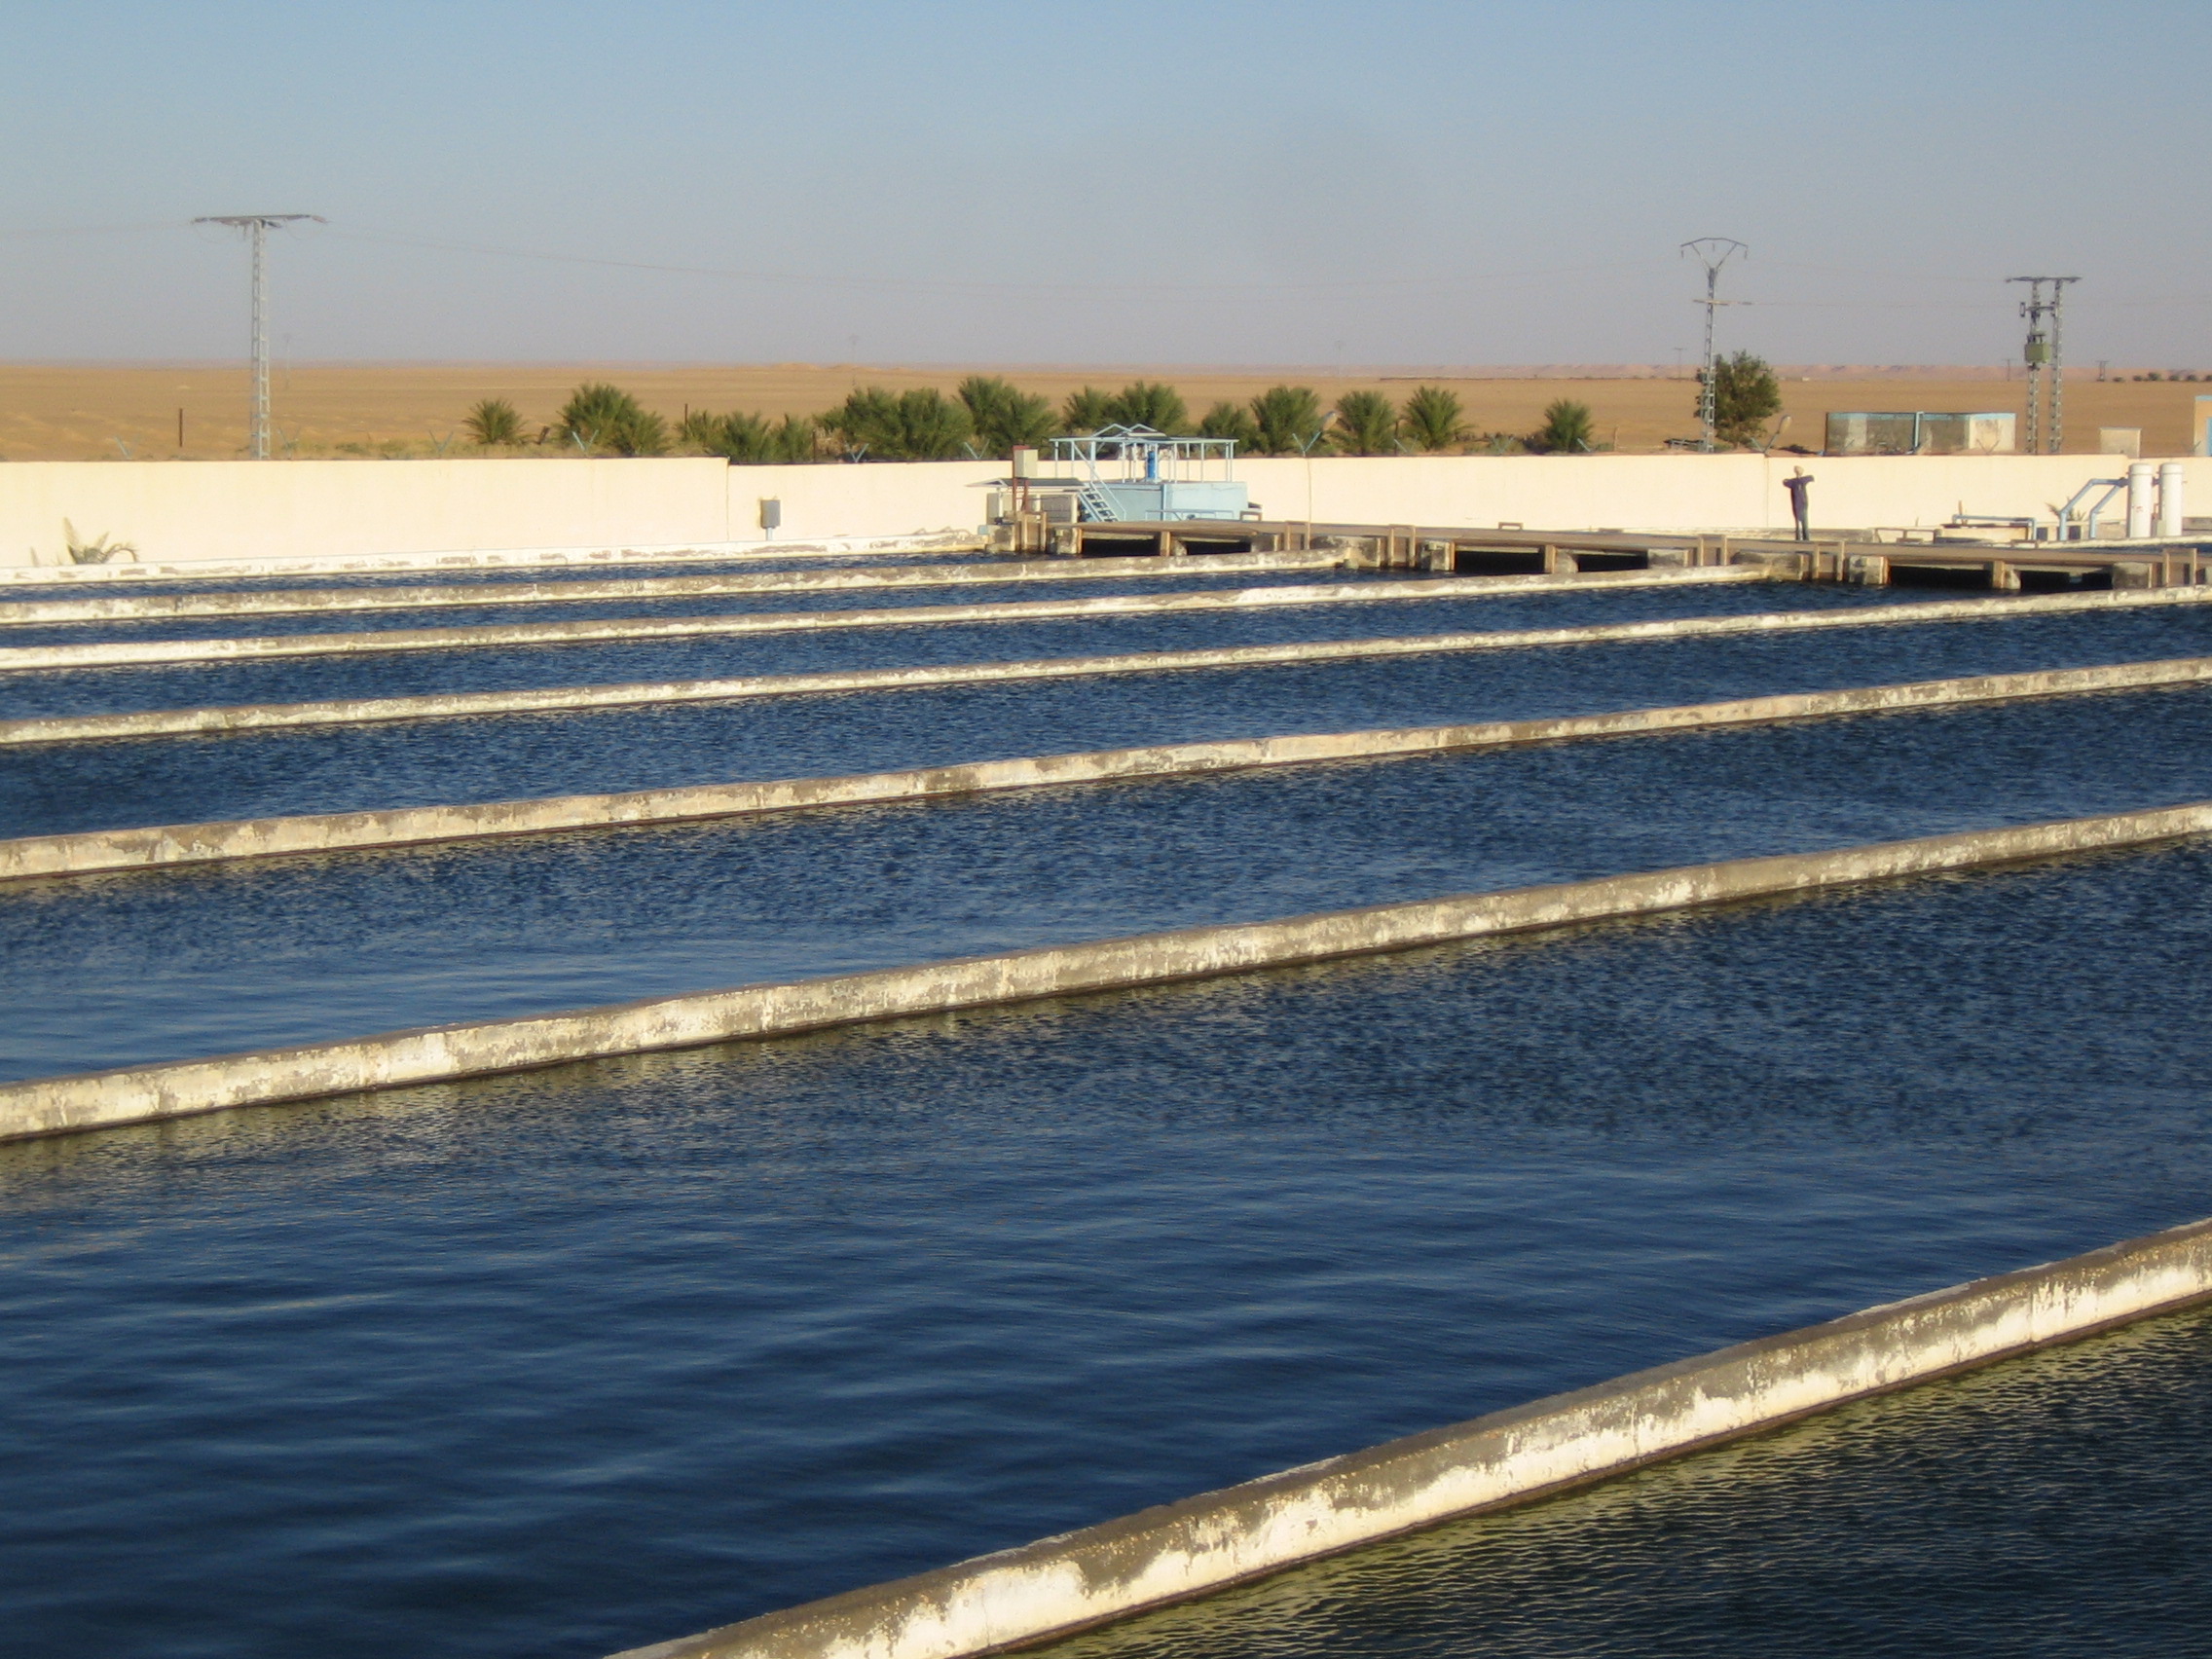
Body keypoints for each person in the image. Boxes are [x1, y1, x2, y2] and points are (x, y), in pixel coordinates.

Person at [1784, 467, 1815, 540]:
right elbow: (1785, 482)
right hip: (1799, 504)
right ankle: (1801, 538)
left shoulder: (1797, 481)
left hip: (1801, 504)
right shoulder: (1795, 482)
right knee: (1800, 521)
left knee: (1802, 521)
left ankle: (1803, 538)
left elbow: (1811, 477)